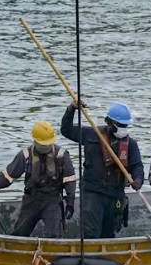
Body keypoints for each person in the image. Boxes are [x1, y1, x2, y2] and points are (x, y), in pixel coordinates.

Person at [60, 101, 144, 239]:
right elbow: (66, 130)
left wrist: (138, 180)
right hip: (93, 193)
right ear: (110, 123)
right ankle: (89, 258)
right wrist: (71, 110)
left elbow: (137, 166)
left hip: (115, 194)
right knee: (92, 233)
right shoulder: (92, 134)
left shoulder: (131, 144)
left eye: (125, 126)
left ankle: (107, 258)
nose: (123, 129)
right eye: (120, 125)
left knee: (109, 234)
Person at [0, 121, 77, 238]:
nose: (45, 147)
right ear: (35, 141)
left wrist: (70, 203)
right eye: (43, 144)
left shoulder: (61, 154)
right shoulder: (25, 155)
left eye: (48, 144)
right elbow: (8, 175)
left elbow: (70, 180)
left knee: (55, 234)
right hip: (31, 200)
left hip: (52, 200)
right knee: (20, 233)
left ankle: (56, 254)